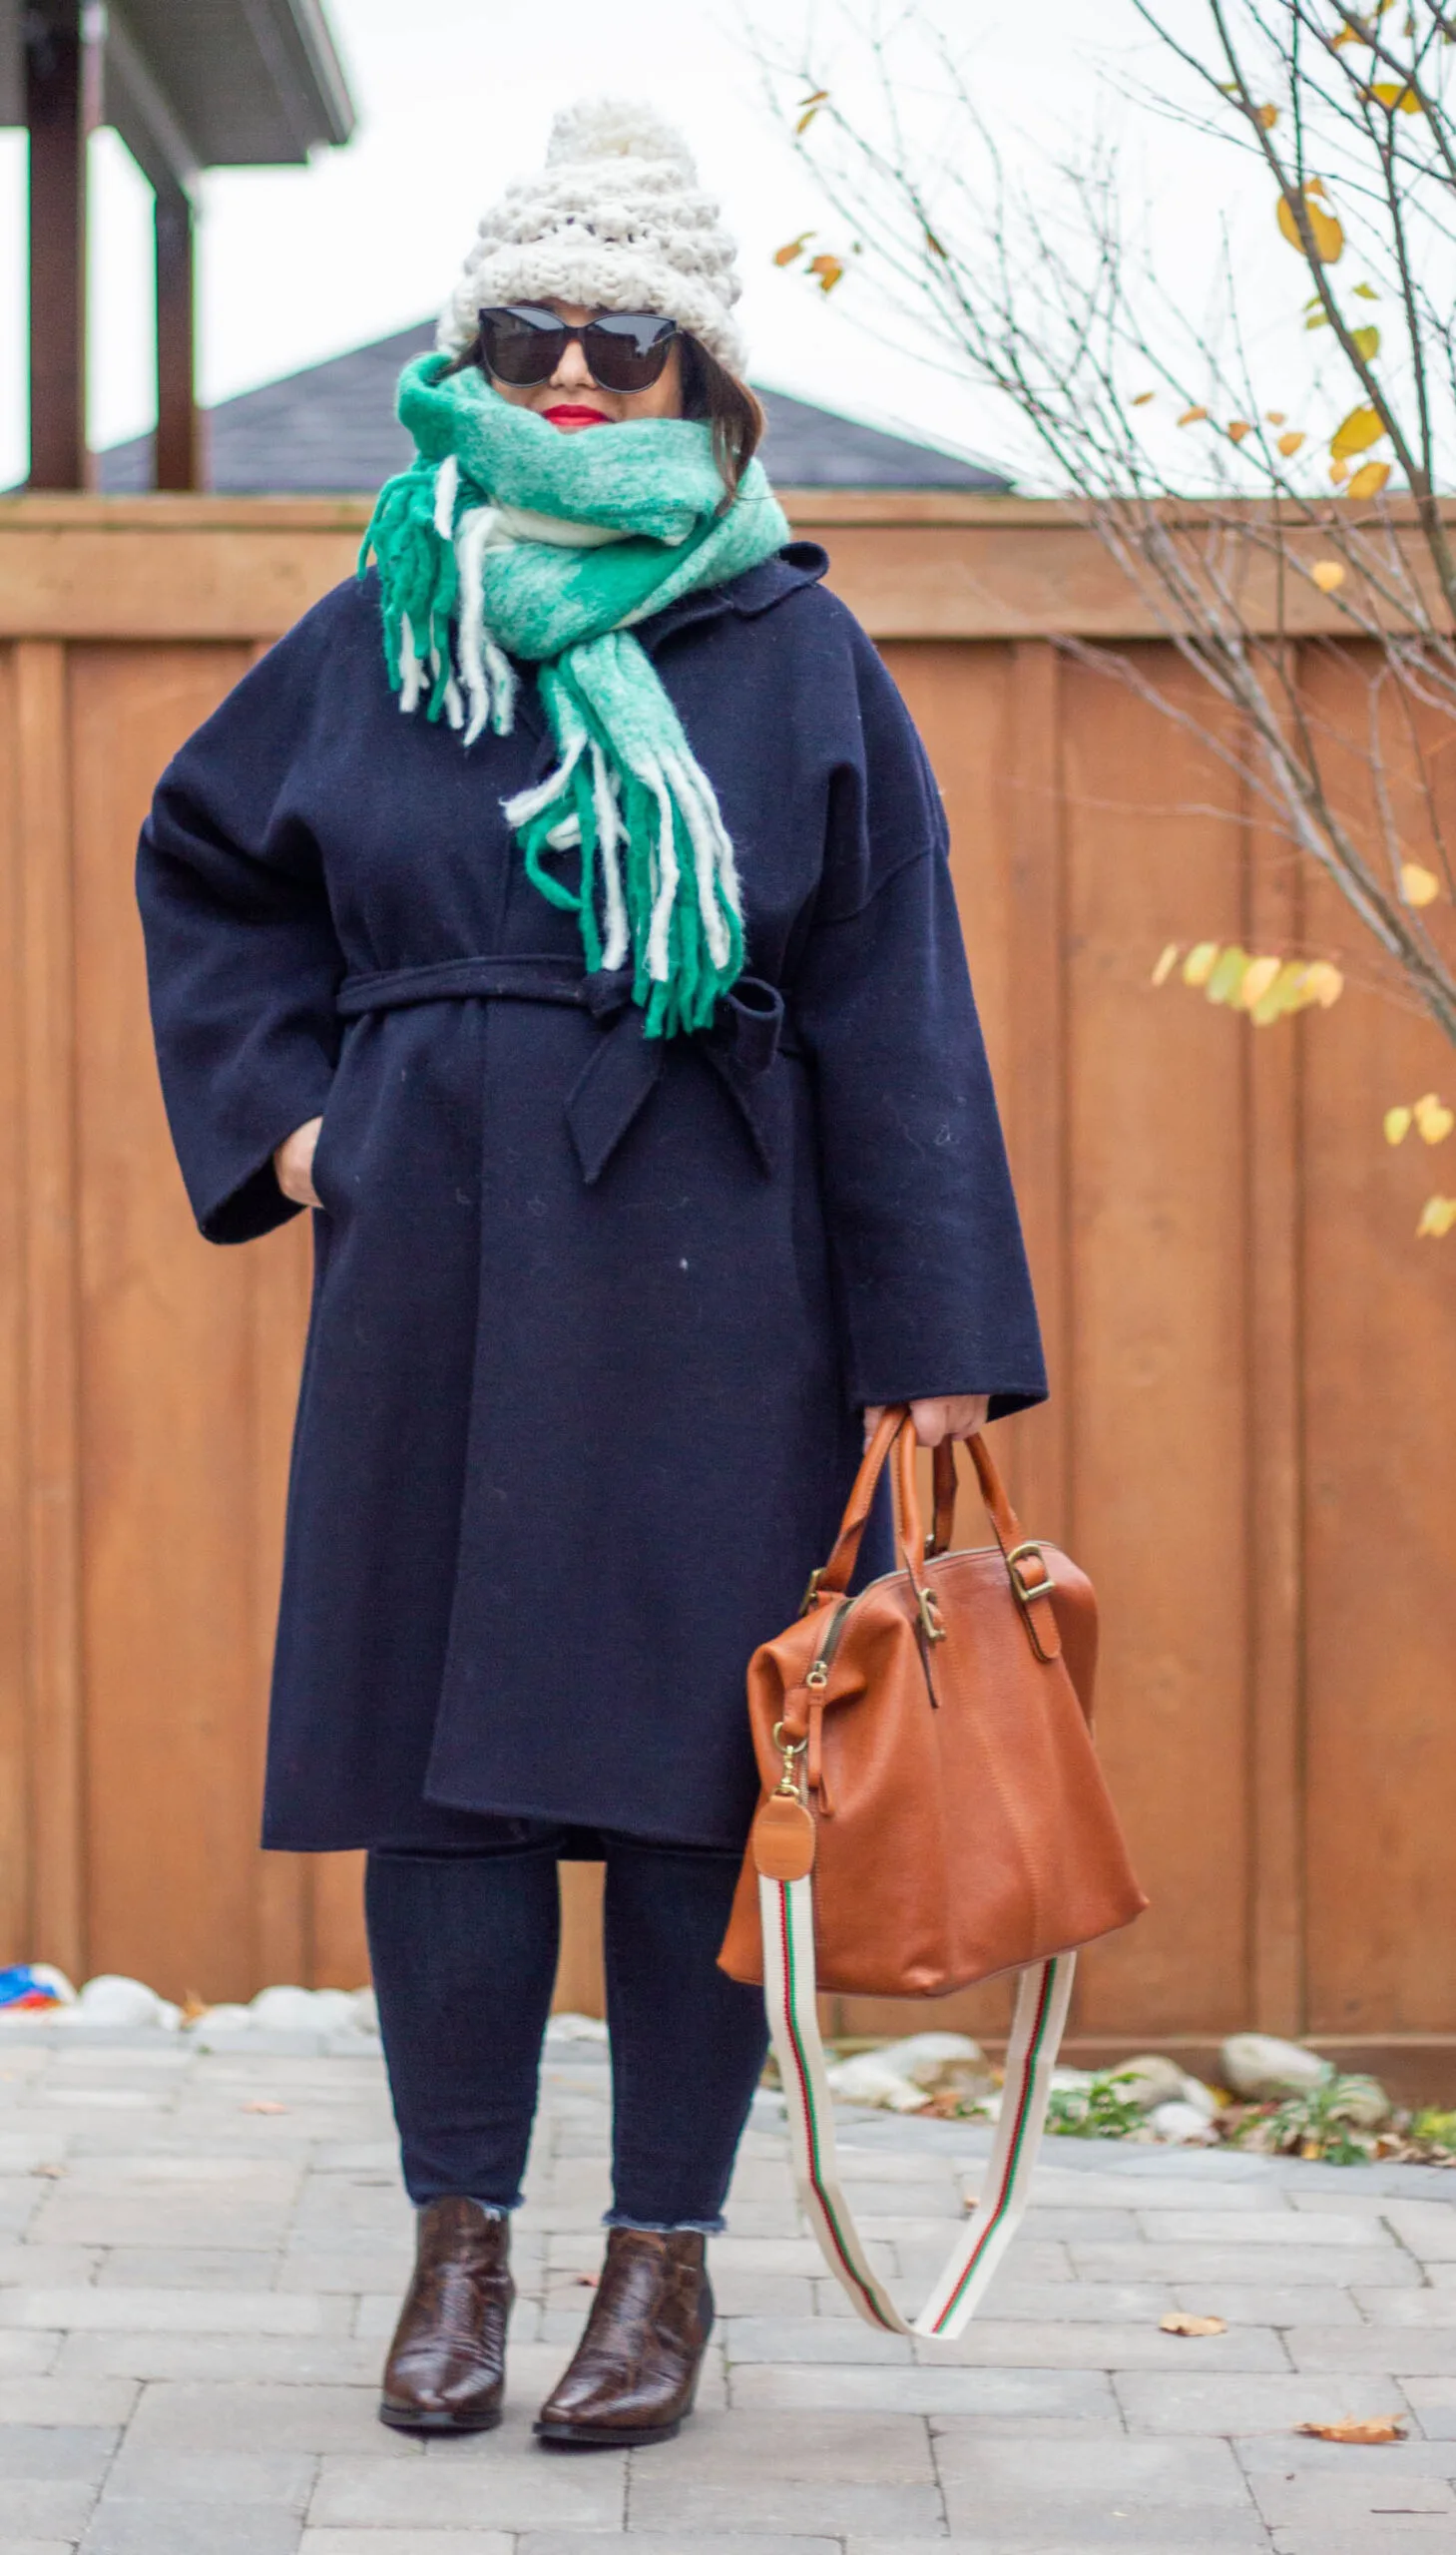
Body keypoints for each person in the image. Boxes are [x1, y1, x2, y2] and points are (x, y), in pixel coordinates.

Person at [136, 96, 1046, 2453]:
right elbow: (209, 863)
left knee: (684, 1783)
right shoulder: (386, 617)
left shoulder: (799, 650)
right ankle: (458, 2243)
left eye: (617, 338)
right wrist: (300, 1124)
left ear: (697, 374)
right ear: (474, 349)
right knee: (441, 1784)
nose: (564, 373)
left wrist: (939, 1338)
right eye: (523, 332)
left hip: (718, 1266)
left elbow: (892, 999)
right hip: (433, 1250)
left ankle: (663, 2261)